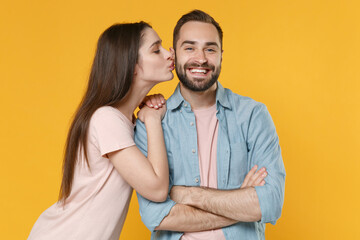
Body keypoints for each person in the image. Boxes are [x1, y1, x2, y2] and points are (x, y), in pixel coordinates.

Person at [135, 10, 286, 240]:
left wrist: (189, 195)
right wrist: (242, 202)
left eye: (210, 49)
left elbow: (271, 202)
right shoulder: (151, 121)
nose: (201, 58)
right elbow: (155, 216)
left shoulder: (253, 115)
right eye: (190, 48)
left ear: (221, 56)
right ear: (174, 56)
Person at [28, 22, 174, 240]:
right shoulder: (107, 119)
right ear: (131, 65)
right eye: (156, 49)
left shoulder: (123, 120)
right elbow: (157, 189)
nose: (169, 53)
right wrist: (152, 119)